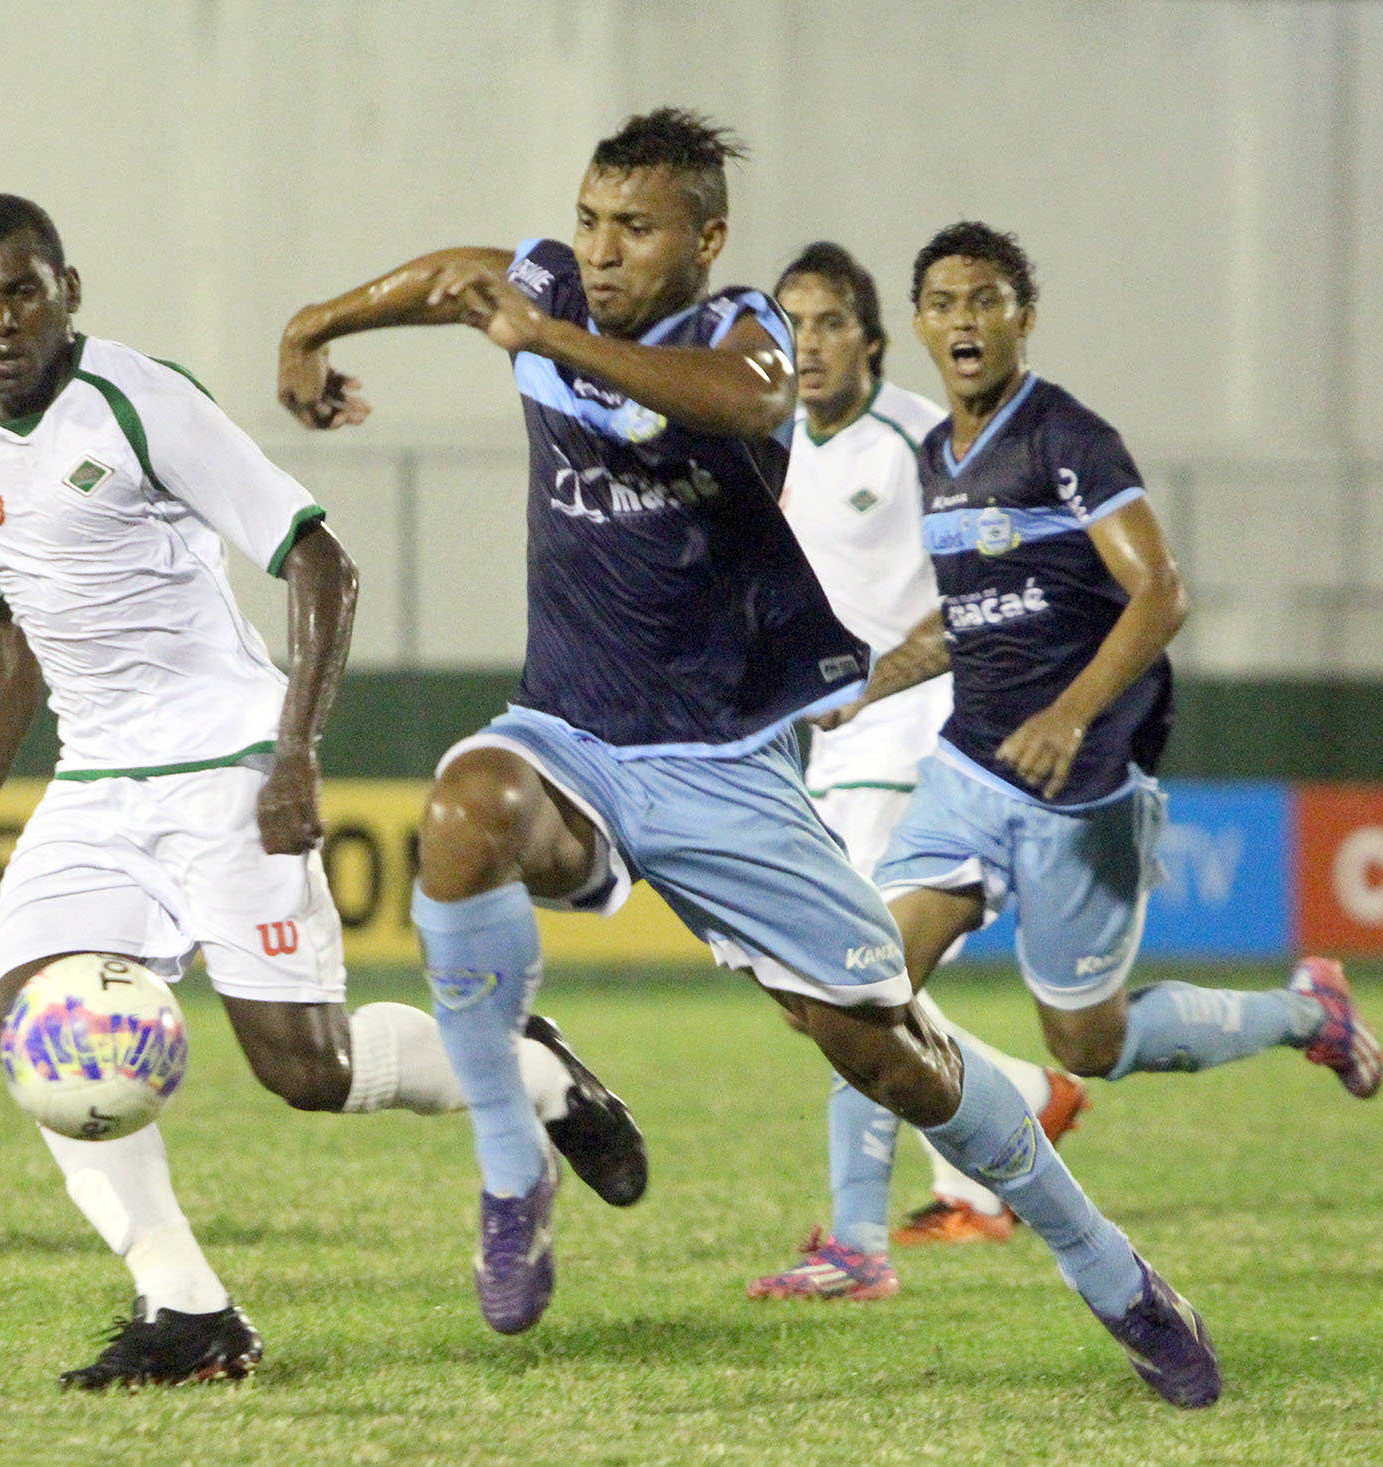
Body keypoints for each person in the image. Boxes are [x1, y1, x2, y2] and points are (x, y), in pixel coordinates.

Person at [280, 110, 1221, 1408]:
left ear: (706, 240)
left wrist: (550, 338)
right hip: (574, 736)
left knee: (894, 1056)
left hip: (729, 765)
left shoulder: (740, 332)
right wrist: (313, 325)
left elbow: (746, 403)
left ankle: (1110, 1264)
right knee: (465, 807)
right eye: (592, 219)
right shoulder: (548, 279)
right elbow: (454, 275)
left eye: (639, 228)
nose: (602, 251)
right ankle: (514, 1164)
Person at [0, 194, 645, 1391]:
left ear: (68, 291)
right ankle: (188, 1311)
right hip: (95, 784)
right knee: (34, 1031)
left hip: (225, 764)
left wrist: (295, 748)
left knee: (309, 1073)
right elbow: (5, 629)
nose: (2, 321)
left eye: (24, 293)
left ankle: (537, 1072)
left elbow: (321, 560)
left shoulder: (143, 401)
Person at [750, 221, 1378, 1300]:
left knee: (1086, 1041)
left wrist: (1075, 716)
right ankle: (857, 1246)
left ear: (1021, 318)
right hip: (964, 772)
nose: (964, 321)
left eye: (986, 300)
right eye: (944, 302)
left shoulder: (1065, 437)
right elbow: (968, 620)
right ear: (921, 323)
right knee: (861, 985)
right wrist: (869, 686)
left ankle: (1305, 1012)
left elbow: (1161, 592)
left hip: (1079, 789)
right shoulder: (940, 460)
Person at [769, 241, 1088, 1271]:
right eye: (789, 325)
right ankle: (1020, 1108)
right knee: (857, 986)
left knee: (850, 980)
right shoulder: (776, 446)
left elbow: (994, 582)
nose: (805, 345)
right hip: (836, 748)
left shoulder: (920, 436)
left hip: (922, 734)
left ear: (870, 336)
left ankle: (862, 1236)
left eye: (825, 323)